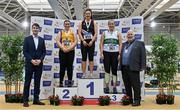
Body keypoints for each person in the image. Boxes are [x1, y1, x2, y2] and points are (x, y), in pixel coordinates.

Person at [120, 30, 146, 106]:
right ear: (126, 36)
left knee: (136, 85)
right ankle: (129, 99)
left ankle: (137, 100)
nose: (130, 35)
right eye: (128, 34)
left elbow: (143, 55)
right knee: (127, 85)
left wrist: (143, 66)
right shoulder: (124, 44)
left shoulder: (139, 43)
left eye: (131, 34)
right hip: (124, 68)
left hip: (134, 67)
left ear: (134, 35)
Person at [23, 23, 46, 107]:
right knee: (27, 82)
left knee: (37, 82)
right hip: (29, 63)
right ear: (32, 29)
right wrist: (31, 60)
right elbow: (25, 52)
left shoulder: (42, 40)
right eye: (34, 28)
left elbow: (44, 51)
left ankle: (36, 99)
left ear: (39, 29)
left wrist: (40, 60)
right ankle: (25, 100)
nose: (35, 29)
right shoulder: (27, 39)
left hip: (39, 64)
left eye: (37, 28)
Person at [100, 20, 122, 93]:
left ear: (114, 25)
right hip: (106, 53)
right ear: (108, 25)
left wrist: (119, 54)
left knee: (114, 71)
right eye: (110, 24)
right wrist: (101, 53)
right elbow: (101, 43)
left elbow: (120, 44)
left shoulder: (118, 33)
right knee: (107, 71)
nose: (111, 25)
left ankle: (114, 87)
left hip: (115, 53)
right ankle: (106, 87)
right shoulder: (104, 33)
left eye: (112, 24)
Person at [55, 20, 77, 87]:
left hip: (71, 51)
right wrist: (63, 48)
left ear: (70, 25)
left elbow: (76, 41)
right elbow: (57, 41)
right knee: (62, 67)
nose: (67, 25)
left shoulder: (73, 32)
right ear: (64, 25)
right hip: (62, 51)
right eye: (66, 24)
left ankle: (70, 81)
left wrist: (69, 48)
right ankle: (61, 81)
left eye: (68, 24)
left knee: (70, 67)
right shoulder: (60, 32)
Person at [78, 8, 98, 78]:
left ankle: (91, 73)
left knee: (91, 58)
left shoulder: (94, 22)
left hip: (91, 43)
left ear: (91, 14)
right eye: (86, 14)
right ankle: (83, 73)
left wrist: (92, 41)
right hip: (83, 43)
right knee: (84, 58)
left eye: (89, 14)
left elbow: (96, 33)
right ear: (84, 15)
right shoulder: (81, 22)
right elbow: (79, 33)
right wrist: (83, 40)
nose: (87, 15)